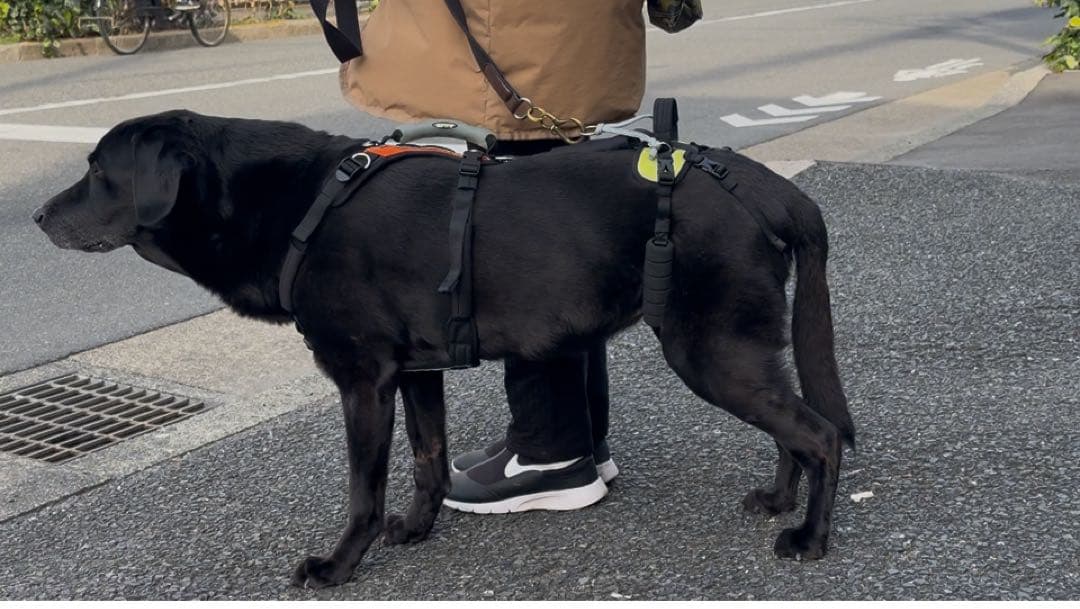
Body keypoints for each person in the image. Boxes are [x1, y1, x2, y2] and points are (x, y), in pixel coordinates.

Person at [329, 0, 699, 513]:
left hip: (499, 46)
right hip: (583, 42)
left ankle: (551, 455)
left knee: (523, 251)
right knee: (563, 230)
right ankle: (579, 437)